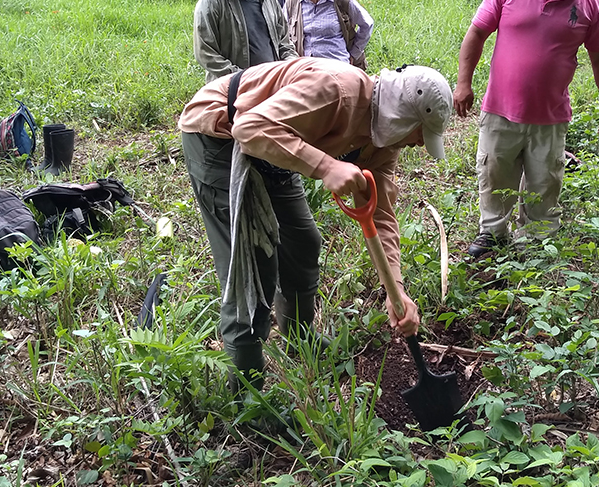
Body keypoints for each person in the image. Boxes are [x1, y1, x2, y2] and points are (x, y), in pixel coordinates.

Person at [178, 58, 453, 387]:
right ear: (401, 117)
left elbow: (379, 213)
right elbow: (249, 128)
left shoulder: (385, 142)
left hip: (274, 148)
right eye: (419, 135)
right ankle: (246, 394)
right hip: (219, 134)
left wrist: (397, 290)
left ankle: (298, 337)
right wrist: (325, 167)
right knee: (253, 269)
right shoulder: (336, 91)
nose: (419, 144)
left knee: (303, 243)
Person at [191, 0, 323, 355]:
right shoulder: (213, 2)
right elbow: (210, 59)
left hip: (276, 111)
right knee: (250, 261)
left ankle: (299, 333)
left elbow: (284, 45)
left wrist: (287, 76)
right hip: (230, 116)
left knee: (302, 239)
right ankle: (246, 376)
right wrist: (253, 89)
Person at [454, 0, 599, 259]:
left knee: (545, 182)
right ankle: (494, 233)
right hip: (500, 109)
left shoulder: (590, 3)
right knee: (494, 174)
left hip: (550, 116)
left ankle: (536, 242)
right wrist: (463, 82)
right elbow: (476, 35)